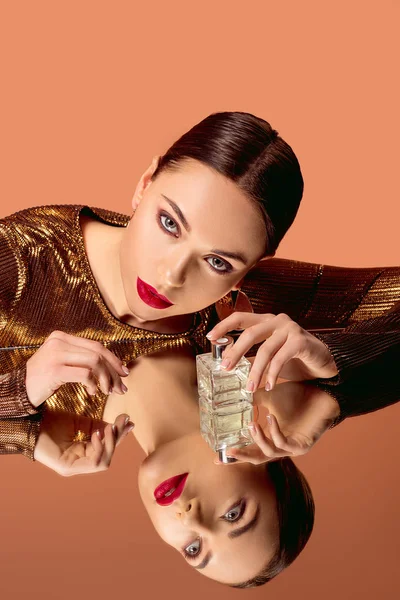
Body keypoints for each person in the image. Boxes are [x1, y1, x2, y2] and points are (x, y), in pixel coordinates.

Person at [0, 109, 399, 461]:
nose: (172, 275)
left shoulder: (240, 312)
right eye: (169, 223)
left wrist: (331, 360)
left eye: (217, 261)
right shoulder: (20, 256)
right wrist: (25, 390)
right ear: (144, 185)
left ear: (250, 268)